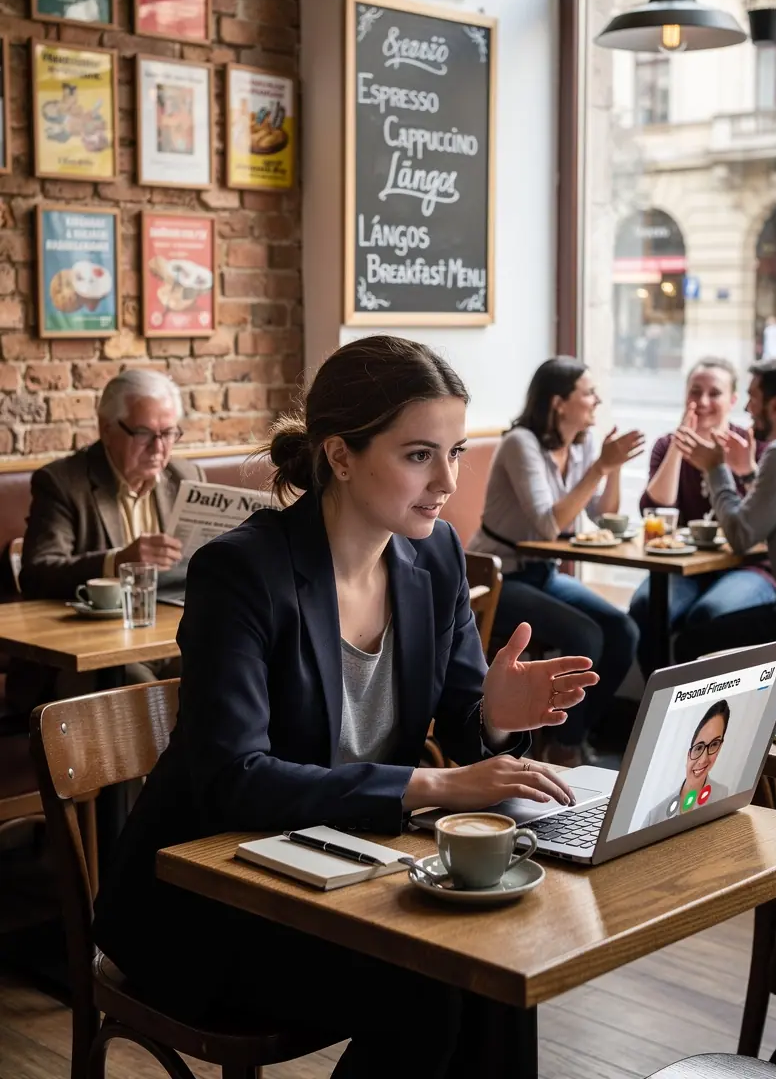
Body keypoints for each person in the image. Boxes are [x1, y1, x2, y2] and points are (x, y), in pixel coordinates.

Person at [92, 336, 599, 1078]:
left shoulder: (436, 557)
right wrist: (433, 785)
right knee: (438, 989)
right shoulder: (242, 571)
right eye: (419, 455)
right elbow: (237, 779)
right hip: (207, 897)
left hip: (348, 871)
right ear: (339, 456)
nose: (447, 482)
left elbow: (464, 729)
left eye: (455, 452)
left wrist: (495, 718)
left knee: (498, 972)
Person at [469, 356, 643, 767]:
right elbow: (549, 525)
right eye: (588, 392)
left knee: (623, 631)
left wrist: (611, 469)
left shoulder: (580, 444)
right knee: (587, 638)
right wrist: (600, 466)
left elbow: (603, 516)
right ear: (559, 402)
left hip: (543, 572)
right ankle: (563, 747)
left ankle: (571, 735)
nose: (596, 400)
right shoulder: (520, 443)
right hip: (500, 575)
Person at [8, 371, 201, 709]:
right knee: (144, 697)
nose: (159, 447)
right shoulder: (62, 482)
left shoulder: (186, 476)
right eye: (143, 433)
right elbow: (37, 573)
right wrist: (116, 562)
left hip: (169, 640)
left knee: (222, 674)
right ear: (106, 429)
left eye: (169, 433)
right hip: (90, 655)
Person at [630, 357, 776, 674]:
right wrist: (679, 445)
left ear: (733, 400)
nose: (703, 401)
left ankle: (698, 714)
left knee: (709, 614)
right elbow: (656, 510)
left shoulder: (756, 447)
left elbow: (766, 520)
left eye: (715, 393)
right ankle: (653, 707)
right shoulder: (666, 445)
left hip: (749, 567)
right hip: (685, 568)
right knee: (644, 607)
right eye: (695, 392)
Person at [672, 357, 776, 661]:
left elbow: (740, 535)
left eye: (753, 397)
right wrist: (749, 475)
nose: (749, 409)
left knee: (690, 645)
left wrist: (716, 468)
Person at [641, 700, 730, 829]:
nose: (703, 759)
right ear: (688, 754)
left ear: (720, 746)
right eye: (698, 748)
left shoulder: (724, 796)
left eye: (714, 744)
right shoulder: (654, 817)